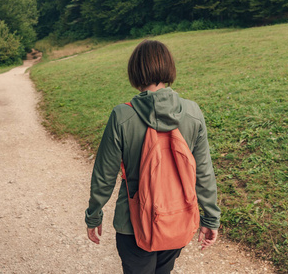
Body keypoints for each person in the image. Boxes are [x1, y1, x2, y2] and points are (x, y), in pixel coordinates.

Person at [85, 40, 221, 274]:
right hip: (176, 218)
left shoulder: (122, 116)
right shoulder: (193, 113)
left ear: (135, 72)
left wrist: (93, 215)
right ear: (169, 69)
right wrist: (211, 219)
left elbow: (104, 175)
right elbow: (203, 172)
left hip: (133, 225)